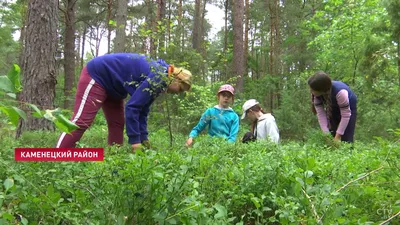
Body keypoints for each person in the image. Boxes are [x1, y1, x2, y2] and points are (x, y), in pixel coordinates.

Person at [56, 53, 192, 152]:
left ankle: (115, 163)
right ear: (176, 79)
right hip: (98, 75)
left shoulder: (160, 78)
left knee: (117, 124)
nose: (176, 93)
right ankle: (57, 158)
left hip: (115, 88)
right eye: (179, 89)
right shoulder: (158, 76)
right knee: (82, 121)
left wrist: (144, 138)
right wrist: (135, 142)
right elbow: (132, 107)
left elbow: (143, 110)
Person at [308, 71, 357, 143]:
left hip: (349, 106)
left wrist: (337, 137)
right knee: (331, 132)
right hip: (333, 106)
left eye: (312, 90)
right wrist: (327, 135)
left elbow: (345, 116)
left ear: (321, 89)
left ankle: (348, 150)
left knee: (346, 137)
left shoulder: (341, 92)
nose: (311, 91)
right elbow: (321, 114)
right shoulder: (317, 96)